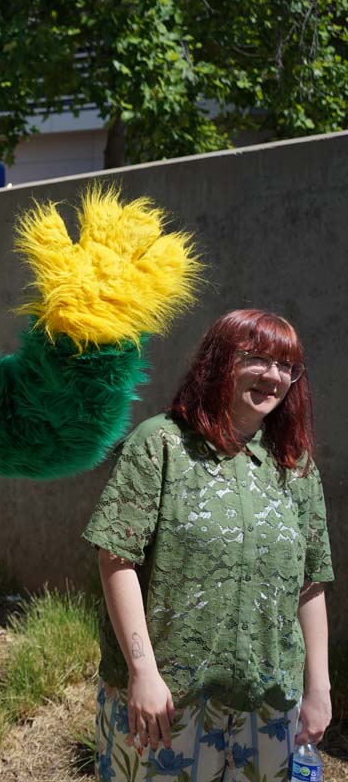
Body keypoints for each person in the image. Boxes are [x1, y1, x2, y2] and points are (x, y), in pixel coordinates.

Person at [84, 310, 333, 782]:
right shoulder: (160, 444)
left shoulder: (295, 467)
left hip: (268, 705)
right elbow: (116, 559)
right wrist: (143, 672)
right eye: (257, 358)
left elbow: (311, 583)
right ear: (220, 362)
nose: (273, 376)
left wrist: (316, 686)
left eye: (287, 365)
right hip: (165, 701)